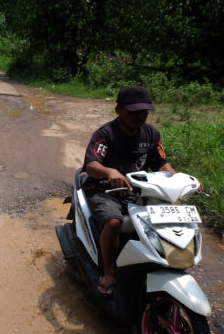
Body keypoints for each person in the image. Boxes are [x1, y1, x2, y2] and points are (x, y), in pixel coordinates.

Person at [82, 85, 201, 296]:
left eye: (144, 111)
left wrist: (183, 181)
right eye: (134, 111)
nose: (140, 116)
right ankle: (109, 271)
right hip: (103, 189)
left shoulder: (151, 133)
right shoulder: (105, 134)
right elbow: (91, 165)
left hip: (139, 190)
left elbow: (161, 163)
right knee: (114, 222)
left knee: (169, 217)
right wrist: (109, 172)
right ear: (118, 110)